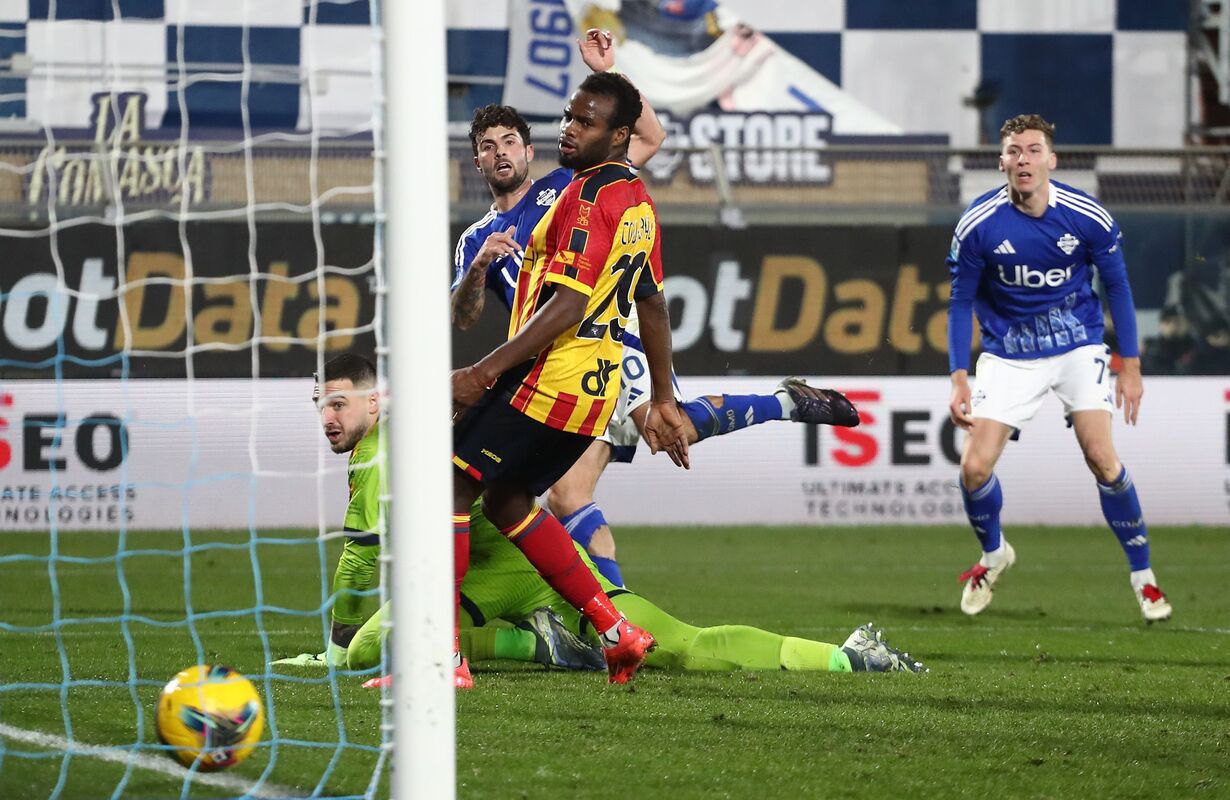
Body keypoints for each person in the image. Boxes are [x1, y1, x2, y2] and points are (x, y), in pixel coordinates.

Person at [454, 31, 859, 588]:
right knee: (571, 492)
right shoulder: (475, 237)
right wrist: (476, 271)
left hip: (611, 345)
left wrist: (611, 73)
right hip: (548, 368)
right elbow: (465, 317)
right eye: (487, 145)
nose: (499, 152)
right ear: (476, 160)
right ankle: (615, 617)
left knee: (661, 433)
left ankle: (613, 619)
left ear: (528, 148)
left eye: (509, 141)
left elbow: (650, 135)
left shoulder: (573, 183)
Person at [450, 68, 691, 689]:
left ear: (616, 137)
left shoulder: (578, 196)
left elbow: (569, 303)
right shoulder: (635, 200)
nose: (569, 129)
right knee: (506, 501)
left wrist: (483, 370)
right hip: (596, 391)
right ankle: (617, 632)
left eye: (583, 122)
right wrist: (664, 399)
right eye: (568, 116)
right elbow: (654, 304)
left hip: (549, 375)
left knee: (446, 488)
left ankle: (439, 662)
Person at [946, 114, 1171, 623]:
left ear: (1052, 159)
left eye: (1032, 150)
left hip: (1077, 346)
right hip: (1007, 353)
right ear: (1001, 161)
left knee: (1102, 457)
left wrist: (1130, 366)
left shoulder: (1086, 216)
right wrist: (960, 376)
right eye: (1013, 151)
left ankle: (1144, 578)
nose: (1022, 159)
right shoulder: (978, 225)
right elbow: (961, 303)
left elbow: (1118, 289)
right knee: (973, 467)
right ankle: (993, 554)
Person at [348, 501, 926, 680]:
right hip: (500, 581)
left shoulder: (454, 460)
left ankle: (848, 658)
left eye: (341, 401)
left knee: (687, 649)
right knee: (368, 649)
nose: (330, 415)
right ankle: (541, 645)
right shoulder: (400, 458)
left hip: (562, 587)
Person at [271, 353, 385, 669]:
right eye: (321, 405)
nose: (327, 419)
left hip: (480, 572)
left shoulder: (374, 455)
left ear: (372, 402)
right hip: (487, 570)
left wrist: (336, 652)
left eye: (338, 405)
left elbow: (360, 559)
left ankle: (527, 641)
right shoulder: (390, 434)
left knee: (362, 652)